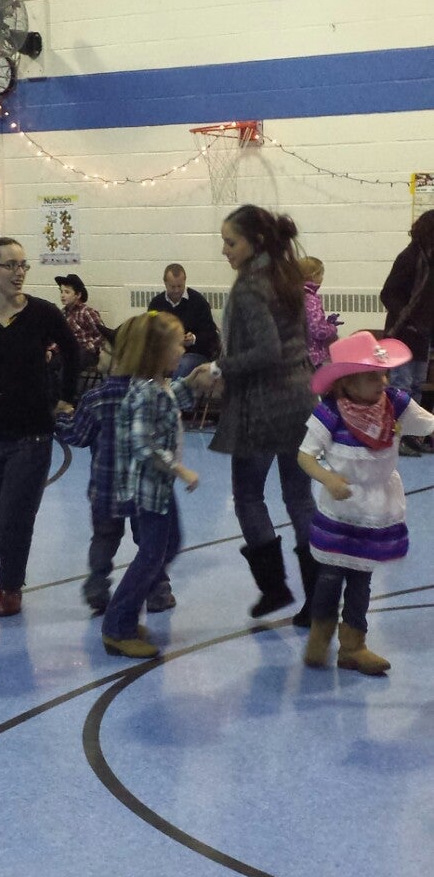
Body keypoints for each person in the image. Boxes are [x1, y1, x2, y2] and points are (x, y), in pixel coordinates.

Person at [298, 331, 434, 674]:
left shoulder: (394, 404)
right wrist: (328, 478)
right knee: (330, 577)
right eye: (372, 376)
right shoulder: (330, 413)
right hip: (340, 510)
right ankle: (320, 635)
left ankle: (353, 647)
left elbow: (427, 424)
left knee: (361, 580)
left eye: (383, 374)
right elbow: (305, 455)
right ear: (347, 382)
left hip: (374, 509)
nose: (382, 382)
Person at [57, 316, 212, 617]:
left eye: (104, 350)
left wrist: (61, 416)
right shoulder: (151, 391)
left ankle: (97, 585)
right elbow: (173, 398)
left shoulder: (96, 399)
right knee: (151, 543)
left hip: (107, 489)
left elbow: (77, 435)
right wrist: (192, 382)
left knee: (104, 539)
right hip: (144, 488)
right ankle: (157, 590)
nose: (99, 354)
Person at [209, 205, 318, 627]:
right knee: (299, 498)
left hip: (263, 406)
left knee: (248, 497)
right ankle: (318, 599)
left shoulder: (250, 286)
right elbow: (299, 343)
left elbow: (267, 351)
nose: (224, 250)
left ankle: (274, 588)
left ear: (254, 242)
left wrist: (219, 368)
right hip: (301, 400)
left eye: (230, 242)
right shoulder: (288, 275)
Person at [0, 237, 80, 618]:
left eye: (23, 265)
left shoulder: (43, 313)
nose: (19, 273)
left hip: (32, 434)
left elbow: (73, 352)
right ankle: (12, 558)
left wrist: (66, 398)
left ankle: (10, 585)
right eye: (10, 265)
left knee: (15, 514)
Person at [100, 311, 201, 659]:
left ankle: (125, 616)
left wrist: (195, 381)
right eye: (176, 344)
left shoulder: (158, 387)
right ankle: (118, 626)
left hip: (159, 488)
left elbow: (171, 399)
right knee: (151, 555)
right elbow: (143, 445)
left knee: (168, 545)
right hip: (149, 488)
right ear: (157, 352)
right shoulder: (145, 392)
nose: (182, 349)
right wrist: (180, 469)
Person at [380, 208, 434, 456]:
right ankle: (394, 435)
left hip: (422, 334)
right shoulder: (410, 257)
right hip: (403, 332)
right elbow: (388, 293)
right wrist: (409, 319)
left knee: (416, 386)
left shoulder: (430, 259)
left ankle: (411, 435)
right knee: (401, 387)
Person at [148, 263, 221, 378]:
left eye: (180, 286)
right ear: (165, 283)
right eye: (172, 287)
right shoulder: (156, 303)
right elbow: (149, 332)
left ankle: (174, 389)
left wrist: (194, 339)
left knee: (183, 364)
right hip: (165, 353)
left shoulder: (198, 302)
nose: (177, 290)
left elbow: (210, 333)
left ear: (185, 282)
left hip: (193, 353)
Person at [299, 256, 342, 368]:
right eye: (321, 275)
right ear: (313, 276)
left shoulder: (297, 294)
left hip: (300, 352)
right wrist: (331, 327)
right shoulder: (311, 299)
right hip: (313, 356)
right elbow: (318, 330)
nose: (322, 278)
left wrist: (326, 322)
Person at [56, 273, 104, 370]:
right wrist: (51, 350)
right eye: (61, 292)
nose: (62, 295)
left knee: (70, 363)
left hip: (86, 352)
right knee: (49, 363)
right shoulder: (62, 314)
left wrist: (90, 346)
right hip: (69, 351)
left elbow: (102, 334)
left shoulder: (87, 312)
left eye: (67, 292)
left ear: (78, 295)